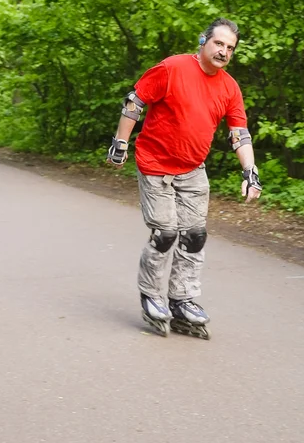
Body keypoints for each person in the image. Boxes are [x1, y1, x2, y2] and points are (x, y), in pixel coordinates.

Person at [107, 17, 262, 338]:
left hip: (193, 168)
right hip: (155, 165)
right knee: (165, 233)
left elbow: (239, 133)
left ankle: (182, 299)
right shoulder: (172, 68)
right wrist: (120, 143)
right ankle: (151, 294)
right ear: (204, 41)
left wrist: (250, 171)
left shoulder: (230, 87)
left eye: (230, 48)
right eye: (219, 43)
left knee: (195, 236)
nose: (224, 52)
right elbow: (135, 101)